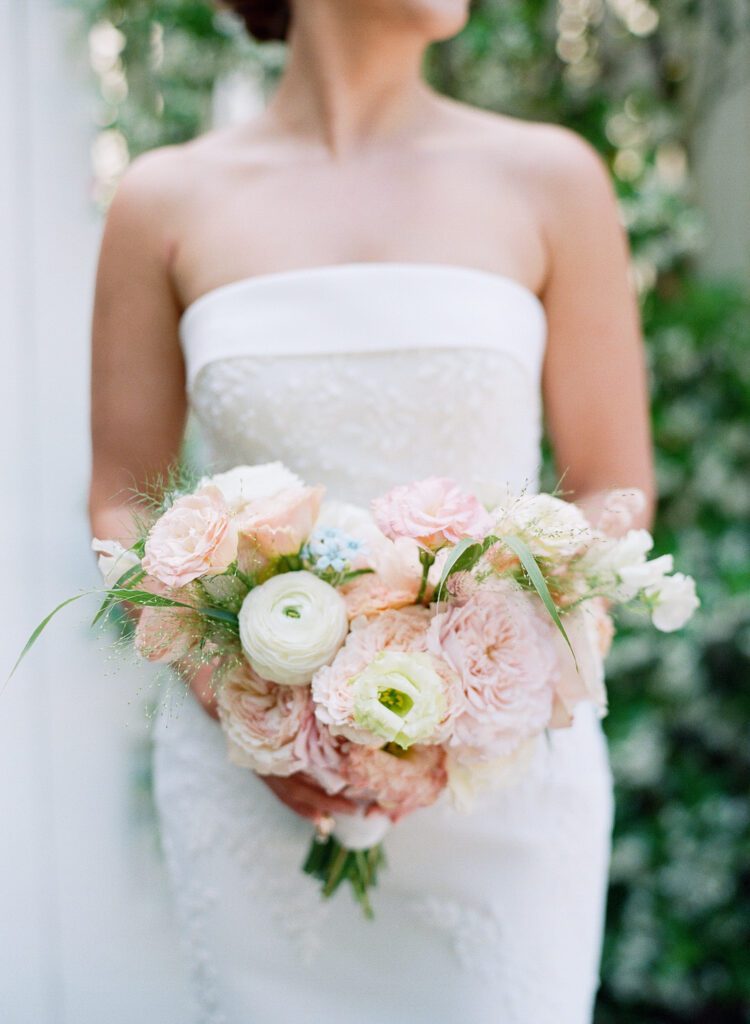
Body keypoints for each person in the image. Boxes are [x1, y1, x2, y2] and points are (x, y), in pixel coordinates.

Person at [88, 1, 655, 1020]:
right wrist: (244, 703)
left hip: (505, 782)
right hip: (248, 785)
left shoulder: (551, 179)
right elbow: (120, 505)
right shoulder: (163, 201)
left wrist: (490, 667)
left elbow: (613, 482)